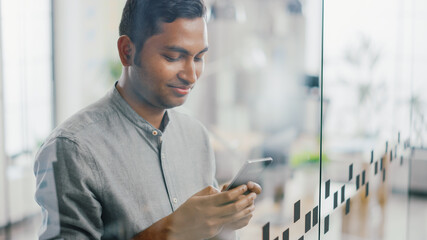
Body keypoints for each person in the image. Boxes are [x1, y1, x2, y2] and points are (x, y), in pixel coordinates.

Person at [34, 0, 262, 239]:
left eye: (198, 58)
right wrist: (170, 231)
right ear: (127, 52)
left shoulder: (196, 136)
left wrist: (222, 219)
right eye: (174, 56)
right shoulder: (73, 150)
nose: (191, 75)